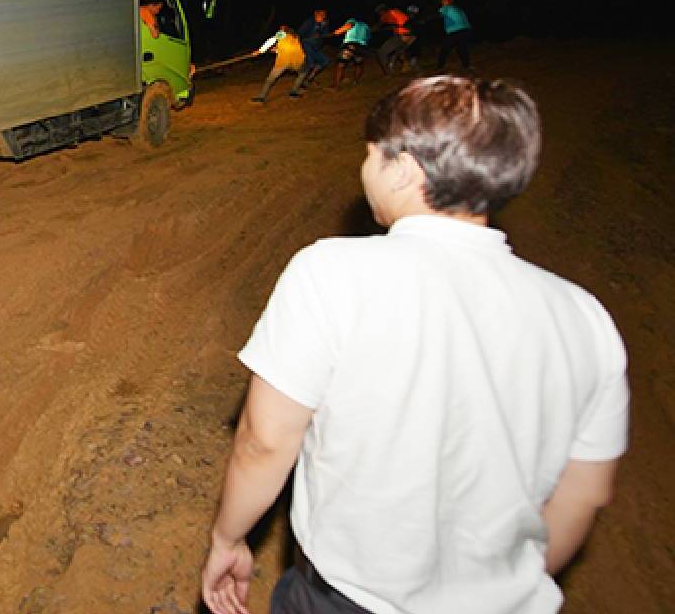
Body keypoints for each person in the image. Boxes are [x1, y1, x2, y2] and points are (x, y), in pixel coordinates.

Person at [201, 75, 628, 614]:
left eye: (371, 156)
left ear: (403, 169)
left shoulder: (332, 272)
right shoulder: (586, 319)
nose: (364, 171)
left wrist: (228, 538)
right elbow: (584, 494)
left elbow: (265, 440)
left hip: (348, 598)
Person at [250, 26, 306, 103]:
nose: (279, 30)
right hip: (297, 60)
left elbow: (271, 40)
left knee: (270, 79)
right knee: (302, 73)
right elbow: (290, 47)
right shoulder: (296, 36)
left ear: (284, 30)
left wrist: (259, 51)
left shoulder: (282, 33)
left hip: (283, 61)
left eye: (281, 29)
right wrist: (277, 49)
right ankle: (293, 92)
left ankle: (261, 97)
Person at [329, 17, 379, 88]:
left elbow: (349, 25)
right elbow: (368, 37)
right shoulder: (366, 26)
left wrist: (336, 32)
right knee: (358, 64)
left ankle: (335, 85)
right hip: (361, 47)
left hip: (350, 45)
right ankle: (356, 81)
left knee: (340, 65)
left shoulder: (353, 20)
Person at [435, 0, 474, 71]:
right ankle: (467, 66)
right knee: (462, 49)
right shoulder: (458, 8)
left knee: (445, 49)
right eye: (442, 1)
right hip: (465, 30)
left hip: (455, 32)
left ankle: (440, 67)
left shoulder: (446, 8)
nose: (442, 2)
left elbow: (438, 15)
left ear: (450, 1)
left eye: (445, 0)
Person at [373, 4, 414, 75]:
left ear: (382, 11)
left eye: (379, 13)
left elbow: (379, 23)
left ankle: (388, 71)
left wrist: (372, 29)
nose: (379, 15)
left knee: (381, 52)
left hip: (402, 35)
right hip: (406, 35)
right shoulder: (395, 12)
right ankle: (406, 66)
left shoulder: (390, 13)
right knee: (399, 51)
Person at [296, 9, 331, 85]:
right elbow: (299, 34)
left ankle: (310, 77)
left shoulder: (325, 23)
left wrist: (322, 33)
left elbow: (325, 35)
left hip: (316, 47)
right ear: (316, 13)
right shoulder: (309, 22)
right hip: (306, 45)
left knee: (325, 61)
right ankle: (301, 83)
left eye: (324, 14)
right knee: (310, 63)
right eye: (321, 14)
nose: (323, 16)